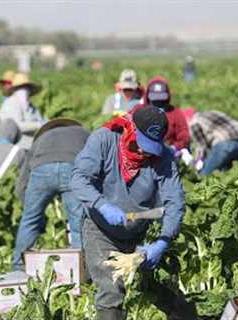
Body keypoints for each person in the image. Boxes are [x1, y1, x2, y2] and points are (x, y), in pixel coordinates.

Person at [71, 106, 196, 320]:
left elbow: (174, 201)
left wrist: (163, 241)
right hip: (101, 230)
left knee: (157, 286)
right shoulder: (103, 140)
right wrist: (101, 205)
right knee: (111, 290)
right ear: (130, 129)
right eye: (142, 145)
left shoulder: (163, 157)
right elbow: (78, 179)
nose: (144, 152)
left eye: (151, 148)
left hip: (141, 232)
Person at [12, 118, 89, 271]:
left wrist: (33, 212)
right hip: (72, 167)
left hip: (41, 168)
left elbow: (21, 184)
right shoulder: (84, 133)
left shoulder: (40, 139)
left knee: (29, 221)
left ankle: (18, 268)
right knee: (78, 224)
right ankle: (82, 271)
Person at [184, 107, 238, 176]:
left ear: (187, 119)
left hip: (225, 144)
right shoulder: (212, 112)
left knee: (204, 175)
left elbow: (202, 147)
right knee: (234, 171)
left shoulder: (193, 123)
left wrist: (198, 162)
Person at [0, 72, 45, 149]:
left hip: (31, 144)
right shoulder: (11, 103)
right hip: (13, 146)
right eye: (20, 88)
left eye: (26, 88)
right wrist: (38, 125)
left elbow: (41, 120)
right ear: (14, 90)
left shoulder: (31, 107)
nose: (23, 91)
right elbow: (16, 126)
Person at [142, 76, 190, 152]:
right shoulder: (139, 111)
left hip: (168, 150)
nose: (158, 103)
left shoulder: (175, 113)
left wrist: (174, 148)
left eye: (161, 100)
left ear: (167, 98)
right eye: (155, 100)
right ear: (147, 97)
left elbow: (184, 136)